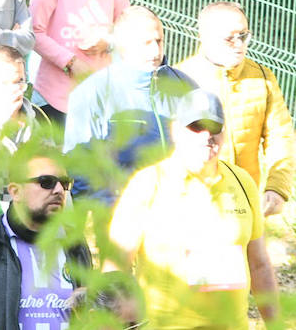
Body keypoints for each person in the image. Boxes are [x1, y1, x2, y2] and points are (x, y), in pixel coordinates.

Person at [108, 89, 280, 329]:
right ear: (176, 130)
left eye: (214, 127)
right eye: (196, 126)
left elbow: (259, 264)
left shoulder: (242, 182)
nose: (207, 135)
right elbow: (115, 267)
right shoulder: (148, 183)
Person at [0, 147, 93, 330]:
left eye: (65, 183)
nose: (59, 190)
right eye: (46, 182)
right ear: (15, 191)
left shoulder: (74, 243)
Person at [62, 5, 196, 203]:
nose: (155, 50)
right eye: (146, 43)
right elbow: (81, 167)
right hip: (120, 215)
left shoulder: (185, 86)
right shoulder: (92, 93)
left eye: (159, 41)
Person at [178, 1, 296, 216]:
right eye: (229, 38)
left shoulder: (262, 78)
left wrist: (277, 187)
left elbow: (281, 136)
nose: (239, 45)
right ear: (204, 37)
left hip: (245, 203)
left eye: (243, 35)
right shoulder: (181, 80)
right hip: (192, 204)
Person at [0, 46, 53, 172]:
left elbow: (50, 165)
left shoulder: (37, 116)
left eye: (19, 81)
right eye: (4, 83)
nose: (14, 89)